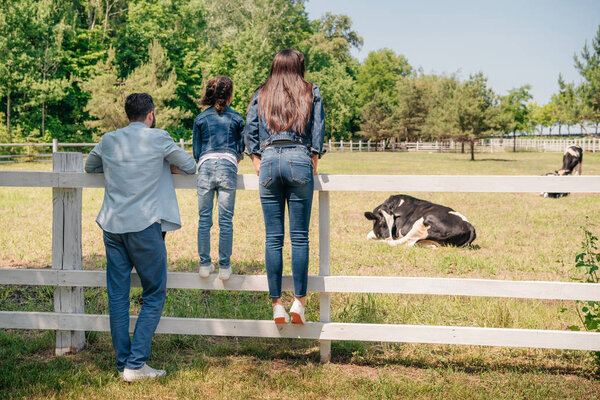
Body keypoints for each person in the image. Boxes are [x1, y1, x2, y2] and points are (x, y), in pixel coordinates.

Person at [84, 93, 196, 382]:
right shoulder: (158, 138)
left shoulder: (109, 140)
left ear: (128, 114)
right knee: (154, 293)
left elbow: (90, 167)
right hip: (144, 226)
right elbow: (189, 165)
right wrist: (163, 164)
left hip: (112, 225)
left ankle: (124, 363)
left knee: (118, 297)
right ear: (151, 114)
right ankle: (136, 364)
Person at [244, 49, 325, 325]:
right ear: (299, 66)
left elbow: (250, 130)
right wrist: (312, 159)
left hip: (268, 161)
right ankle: (299, 302)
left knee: (273, 239)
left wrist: (256, 157)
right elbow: (317, 130)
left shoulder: (262, 92)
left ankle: (277, 304)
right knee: (300, 237)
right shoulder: (310, 91)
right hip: (299, 158)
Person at [193, 76, 245, 280]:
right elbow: (241, 148)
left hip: (205, 167)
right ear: (230, 96)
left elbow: (197, 152)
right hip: (228, 167)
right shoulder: (238, 118)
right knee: (226, 220)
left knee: (204, 219)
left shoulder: (200, 119)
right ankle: (224, 266)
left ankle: (204, 264)